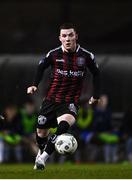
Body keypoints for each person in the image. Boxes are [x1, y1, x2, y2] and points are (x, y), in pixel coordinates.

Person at [27, 23, 101, 170]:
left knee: (62, 127)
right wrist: (34, 84)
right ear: (60, 38)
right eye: (64, 36)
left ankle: (43, 158)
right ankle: (41, 150)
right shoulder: (53, 54)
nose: (68, 39)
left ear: (76, 36)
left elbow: (96, 74)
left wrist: (96, 95)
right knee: (41, 133)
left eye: (70, 35)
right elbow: (41, 67)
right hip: (51, 100)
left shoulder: (86, 56)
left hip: (70, 101)